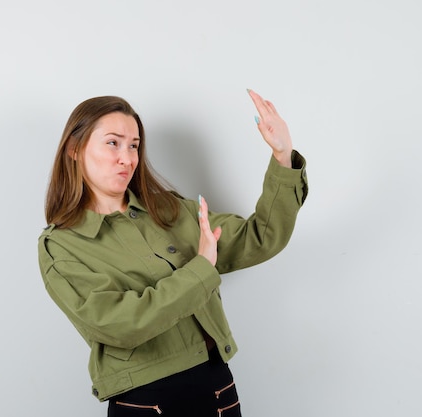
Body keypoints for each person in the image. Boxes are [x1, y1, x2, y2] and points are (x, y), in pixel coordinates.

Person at [38, 90, 308, 416]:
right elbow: (120, 325)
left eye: (134, 145)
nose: (127, 157)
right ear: (75, 149)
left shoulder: (168, 210)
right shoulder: (62, 245)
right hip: (147, 402)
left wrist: (282, 156)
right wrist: (201, 268)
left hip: (218, 387)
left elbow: (260, 237)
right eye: (113, 143)